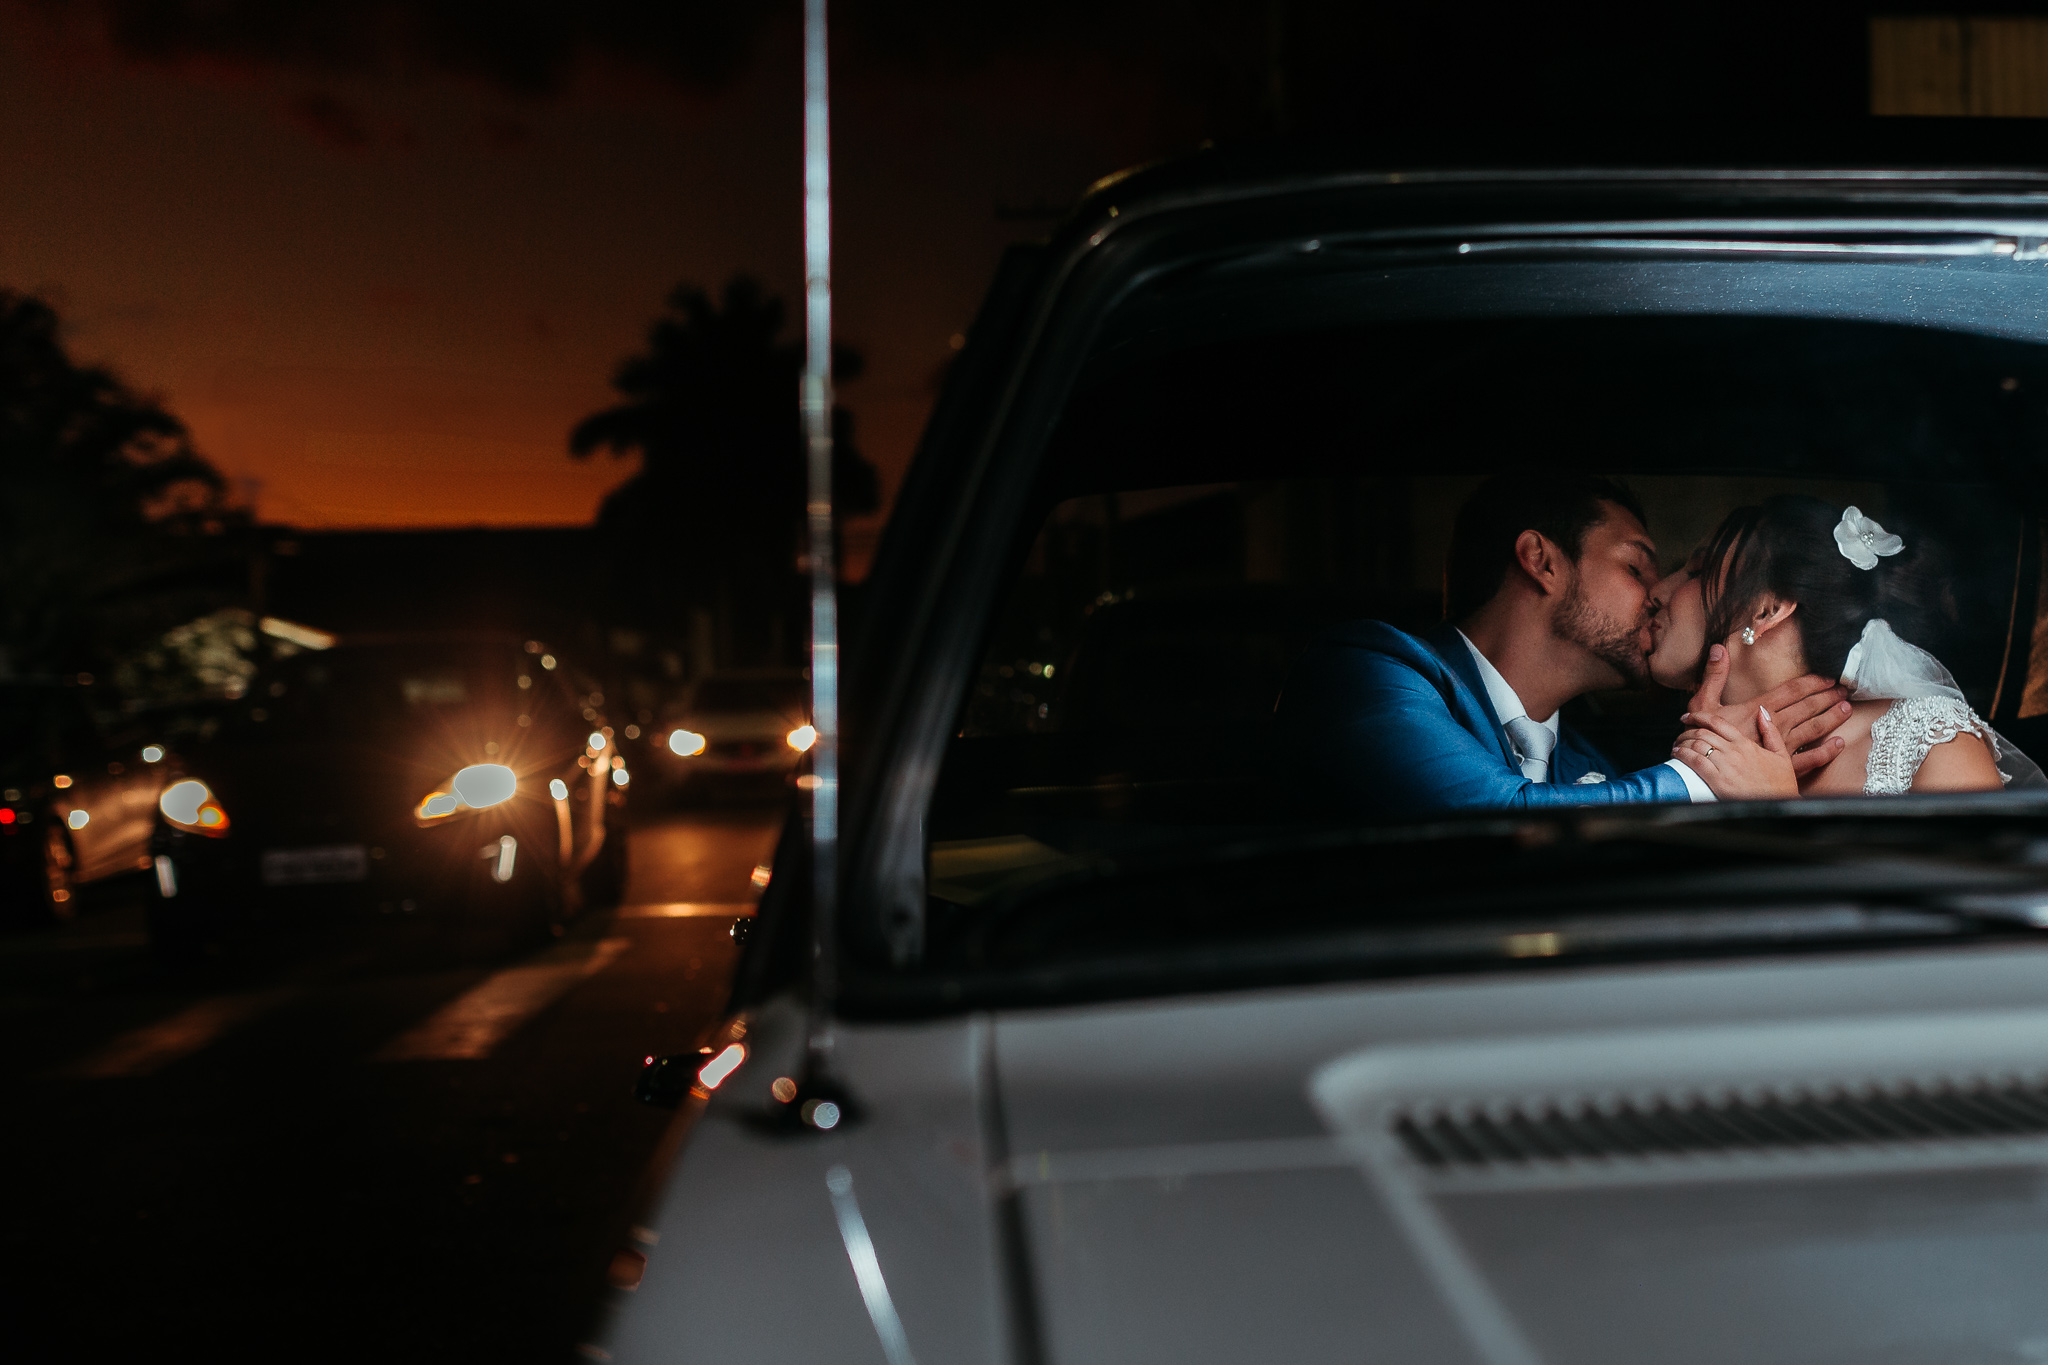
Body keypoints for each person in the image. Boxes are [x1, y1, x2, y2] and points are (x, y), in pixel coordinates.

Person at [1272, 473, 1851, 817]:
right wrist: (1708, 769)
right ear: (1541, 561)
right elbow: (1497, 823)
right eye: (1636, 567)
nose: (1660, 596)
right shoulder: (1364, 673)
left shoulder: (1589, 766)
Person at [1649, 496, 2036, 796]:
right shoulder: (1690, 742)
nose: (1659, 590)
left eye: (1697, 571)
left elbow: (1983, 897)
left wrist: (1780, 815)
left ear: (1769, 609)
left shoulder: (1931, 743)